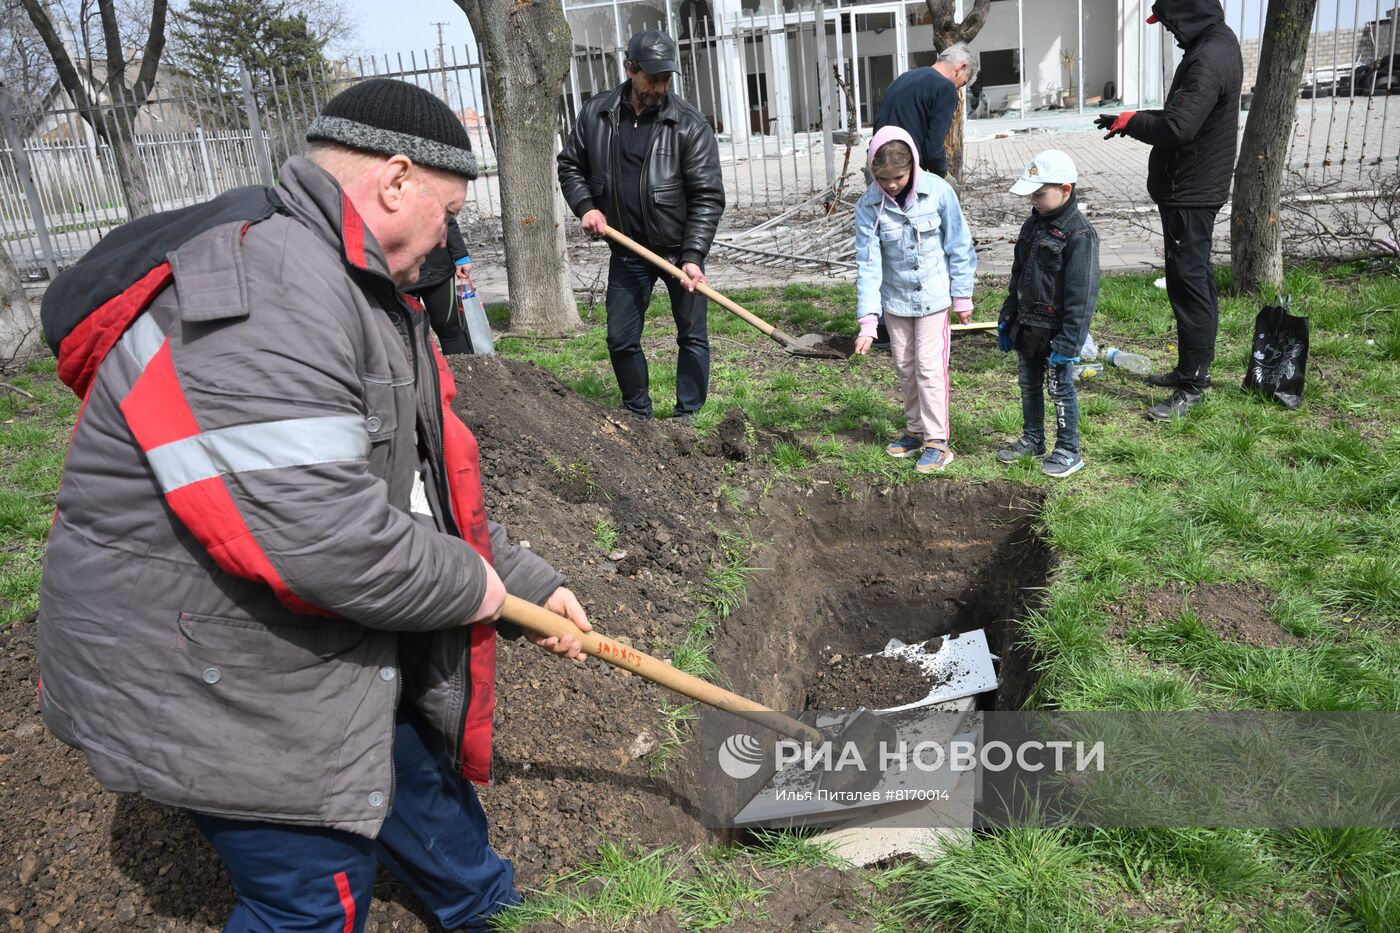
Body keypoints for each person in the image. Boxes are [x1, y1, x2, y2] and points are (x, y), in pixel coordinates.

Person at [35, 78, 592, 932]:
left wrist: (526, 582)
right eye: (448, 214)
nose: (448, 241)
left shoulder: (353, 286)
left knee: (407, 759)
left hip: (283, 623)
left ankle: (487, 908)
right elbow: (328, 541)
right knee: (311, 898)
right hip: (207, 667)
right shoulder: (272, 294)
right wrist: (478, 589)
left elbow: (412, 489)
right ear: (395, 180)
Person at [557, 28, 725, 421]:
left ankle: (688, 415)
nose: (660, 87)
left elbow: (707, 196)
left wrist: (693, 255)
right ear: (630, 69)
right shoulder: (597, 115)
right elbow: (570, 165)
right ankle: (638, 413)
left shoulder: (689, 125)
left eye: (666, 78)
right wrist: (586, 207)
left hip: (678, 251)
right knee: (620, 338)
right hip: (627, 248)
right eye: (652, 78)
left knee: (692, 335)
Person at [1095, 0, 1242, 420]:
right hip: (1194, 185)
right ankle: (1190, 369)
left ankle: (1193, 384)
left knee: (1188, 284)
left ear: (1188, 14)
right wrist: (1132, 119)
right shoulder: (1216, 44)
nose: (1170, 32)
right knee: (1193, 279)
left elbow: (1178, 127)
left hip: (1190, 189)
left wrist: (1133, 121)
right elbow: (1186, 115)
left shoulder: (1207, 58)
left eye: (1170, 23)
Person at [852, 126, 976, 473]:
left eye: (898, 177)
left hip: (934, 298)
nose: (891, 185)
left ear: (913, 167)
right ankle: (915, 430)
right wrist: (868, 321)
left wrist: (962, 296)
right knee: (905, 367)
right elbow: (868, 264)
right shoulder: (868, 206)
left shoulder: (938, 192)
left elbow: (959, 245)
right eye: (883, 178)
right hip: (896, 302)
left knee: (928, 368)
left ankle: (937, 441)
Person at [995, 150, 1101, 479]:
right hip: (1028, 324)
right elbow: (1018, 275)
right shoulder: (1032, 225)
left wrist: (1070, 342)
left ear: (1066, 190)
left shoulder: (1080, 234)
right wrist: (1008, 315)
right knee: (1029, 384)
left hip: (1057, 331)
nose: (1034, 201)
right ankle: (1033, 439)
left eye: (1039, 194)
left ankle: (1069, 449)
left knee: (1060, 388)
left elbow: (1082, 295)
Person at [874, 43, 978, 179]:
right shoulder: (945, 88)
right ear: (961, 67)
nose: (958, 88)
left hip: (879, 166)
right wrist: (943, 177)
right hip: (904, 173)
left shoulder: (903, 78)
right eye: (963, 83)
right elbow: (933, 149)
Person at [409, 217, 474, 354]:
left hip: (437, 267)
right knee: (406, 334)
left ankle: (462, 367)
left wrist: (460, 256)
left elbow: (445, 214)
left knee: (449, 328)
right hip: (396, 274)